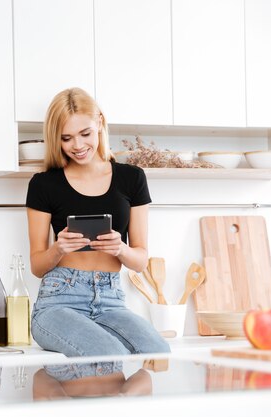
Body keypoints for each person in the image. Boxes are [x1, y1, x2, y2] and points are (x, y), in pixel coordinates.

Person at [25, 87, 170, 357]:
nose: (77, 146)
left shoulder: (132, 178)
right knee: (106, 354)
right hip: (59, 301)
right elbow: (36, 265)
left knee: (157, 352)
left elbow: (139, 261)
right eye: (66, 138)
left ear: (100, 123)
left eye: (85, 134)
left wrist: (120, 248)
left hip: (111, 299)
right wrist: (59, 248)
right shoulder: (44, 184)